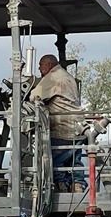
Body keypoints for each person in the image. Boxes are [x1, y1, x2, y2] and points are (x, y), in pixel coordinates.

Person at [29, 53, 85, 190]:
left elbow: (34, 96)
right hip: (78, 126)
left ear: (48, 64)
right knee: (74, 160)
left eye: (41, 65)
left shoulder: (53, 77)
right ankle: (78, 185)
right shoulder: (68, 77)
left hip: (62, 127)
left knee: (55, 160)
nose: (39, 68)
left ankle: (61, 187)